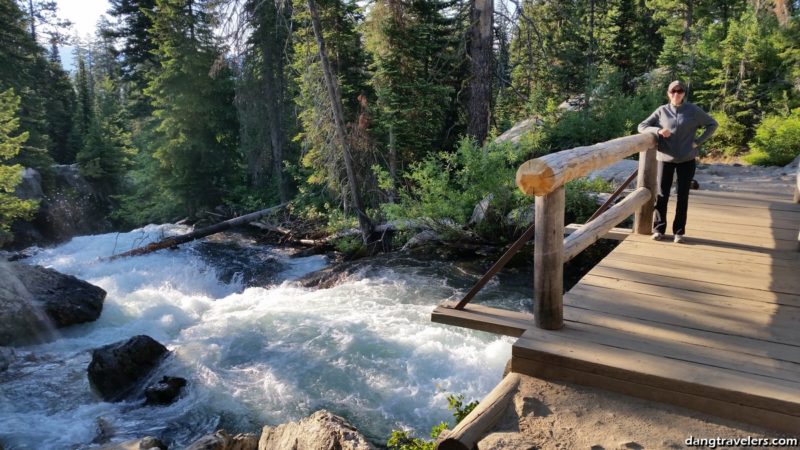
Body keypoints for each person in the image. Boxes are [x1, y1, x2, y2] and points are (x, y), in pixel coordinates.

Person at [638, 80, 718, 243]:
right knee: (662, 194)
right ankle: (658, 229)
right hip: (665, 159)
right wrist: (658, 130)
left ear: (683, 94)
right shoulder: (662, 111)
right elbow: (642, 126)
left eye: (680, 91)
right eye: (673, 91)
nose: (676, 94)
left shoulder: (693, 110)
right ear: (668, 93)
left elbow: (712, 124)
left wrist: (698, 141)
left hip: (687, 159)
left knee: (682, 196)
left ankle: (679, 232)